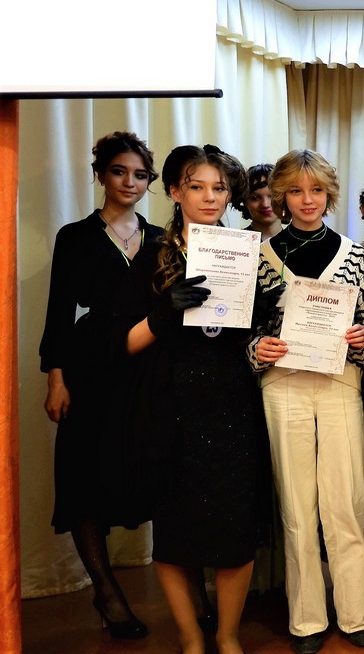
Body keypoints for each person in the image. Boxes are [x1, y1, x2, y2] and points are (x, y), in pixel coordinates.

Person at [116, 144, 269, 654]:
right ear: (175, 192)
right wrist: (164, 313)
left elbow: (258, 334)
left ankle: (227, 636)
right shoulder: (150, 255)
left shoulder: (245, 252)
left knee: (235, 530)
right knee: (175, 532)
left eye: (219, 188)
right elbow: (123, 343)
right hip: (170, 409)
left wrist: (263, 343)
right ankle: (189, 637)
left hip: (232, 405)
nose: (209, 197)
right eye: (197, 186)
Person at [248, 149, 364, 654]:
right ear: (281, 196)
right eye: (297, 191)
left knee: (345, 501)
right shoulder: (259, 256)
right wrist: (257, 349)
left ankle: (357, 613)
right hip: (283, 384)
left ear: (330, 194)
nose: (307, 200)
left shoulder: (356, 255)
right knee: (297, 508)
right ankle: (306, 620)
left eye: (317, 190)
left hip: (340, 382)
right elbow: (243, 332)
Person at [40, 131, 163, 640]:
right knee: (84, 475)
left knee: (147, 472)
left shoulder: (162, 238)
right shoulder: (75, 236)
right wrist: (56, 378)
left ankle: (189, 592)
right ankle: (106, 592)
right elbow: (59, 312)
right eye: (119, 171)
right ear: (100, 175)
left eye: (140, 175)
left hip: (147, 364)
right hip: (90, 364)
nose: (130, 182)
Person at [235, 163, 282, 240]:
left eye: (273, 196)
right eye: (255, 198)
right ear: (245, 202)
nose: (265, 204)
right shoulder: (234, 242)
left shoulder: (300, 243)